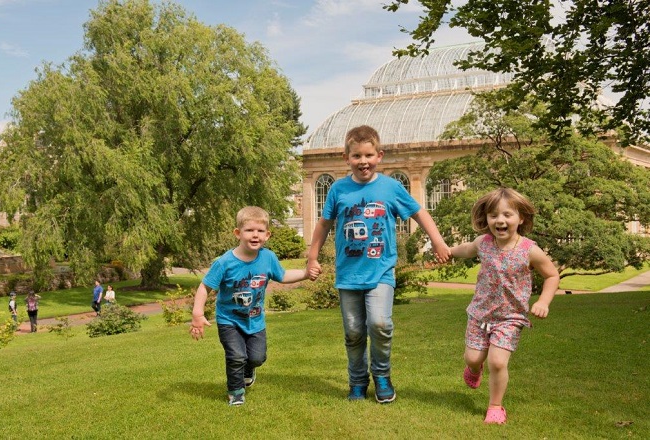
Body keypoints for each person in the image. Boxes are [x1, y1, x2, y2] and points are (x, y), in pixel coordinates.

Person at [306, 125, 451, 404]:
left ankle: (382, 375)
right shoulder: (338, 189)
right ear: (346, 157)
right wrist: (312, 257)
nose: (363, 161)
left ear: (379, 155)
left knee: (380, 323)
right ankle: (358, 381)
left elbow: (420, 213)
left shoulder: (390, 187)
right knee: (354, 331)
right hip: (348, 273)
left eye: (369, 155)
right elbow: (324, 224)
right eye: (357, 156)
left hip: (381, 269)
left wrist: (438, 242)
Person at [448, 187, 559, 424]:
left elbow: (552, 275)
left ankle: (495, 406)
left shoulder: (530, 250)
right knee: (473, 358)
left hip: (510, 317)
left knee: (497, 362)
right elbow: (466, 249)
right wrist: (449, 251)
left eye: (507, 215)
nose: (500, 220)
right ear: (486, 219)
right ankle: (474, 370)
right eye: (494, 215)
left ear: (521, 219)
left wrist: (543, 301)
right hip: (480, 314)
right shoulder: (484, 243)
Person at [190, 206, 318, 406]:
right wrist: (197, 313)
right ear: (238, 233)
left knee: (257, 357)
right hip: (228, 319)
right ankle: (236, 391)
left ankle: (249, 369)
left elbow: (282, 276)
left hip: (255, 320)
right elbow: (205, 287)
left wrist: (305, 273)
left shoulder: (268, 258)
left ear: (267, 235)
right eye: (249, 230)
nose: (255, 235)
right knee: (235, 356)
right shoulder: (224, 262)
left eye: (260, 231)